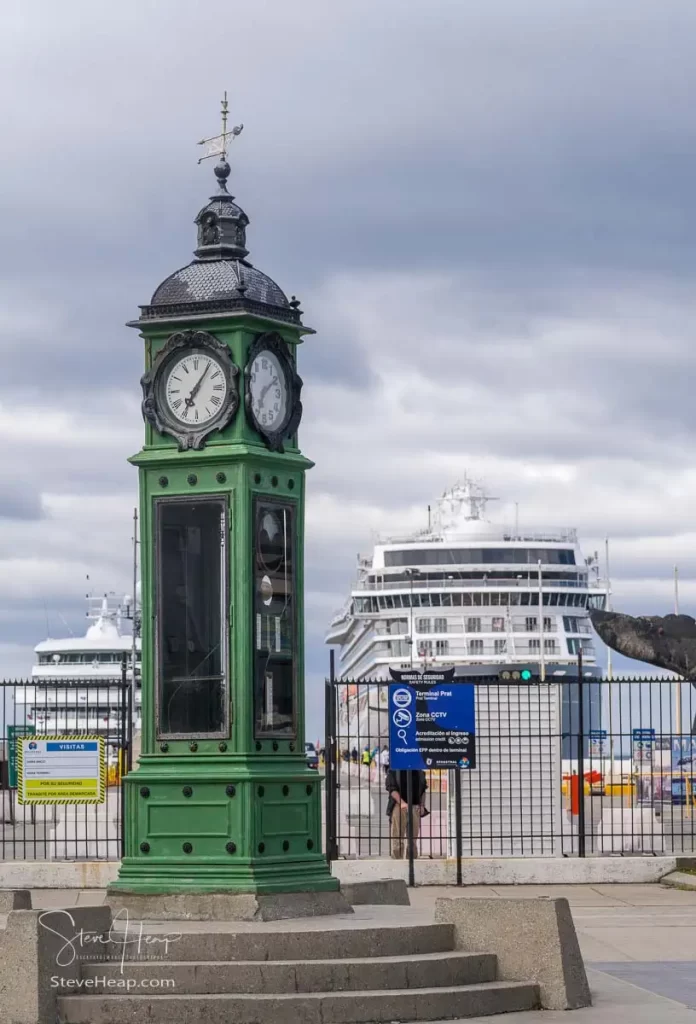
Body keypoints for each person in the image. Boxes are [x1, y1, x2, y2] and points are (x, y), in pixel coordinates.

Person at [385, 768, 427, 859]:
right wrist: (402, 802)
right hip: (398, 806)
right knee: (398, 837)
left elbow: (423, 790)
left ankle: (412, 861)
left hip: (415, 806)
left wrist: (422, 805)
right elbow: (391, 789)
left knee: (413, 839)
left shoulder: (419, 771)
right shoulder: (394, 770)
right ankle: (397, 860)